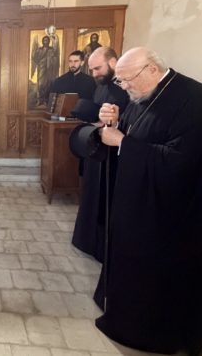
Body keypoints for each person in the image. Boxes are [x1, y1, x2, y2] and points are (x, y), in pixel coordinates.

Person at [94, 47, 202, 354]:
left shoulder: (196, 100)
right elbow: (137, 133)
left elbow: (181, 163)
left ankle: (149, 333)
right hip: (139, 206)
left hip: (171, 217)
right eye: (120, 81)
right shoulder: (145, 95)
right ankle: (122, 313)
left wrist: (122, 142)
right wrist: (114, 123)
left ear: (152, 69)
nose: (124, 87)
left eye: (127, 79)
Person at [71, 47, 129, 262]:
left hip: (113, 155)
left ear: (113, 62)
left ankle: (101, 246)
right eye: (92, 69)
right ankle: (88, 240)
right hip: (97, 149)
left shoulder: (125, 87)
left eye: (97, 68)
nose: (94, 74)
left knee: (106, 200)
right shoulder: (102, 85)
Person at [31, 34, 60, 106]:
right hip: (42, 68)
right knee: (40, 84)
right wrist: (35, 44)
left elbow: (56, 50)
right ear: (42, 41)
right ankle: (40, 99)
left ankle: (46, 100)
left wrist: (55, 40)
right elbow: (34, 56)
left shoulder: (51, 49)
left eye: (47, 40)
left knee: (48, 84)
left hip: (49, 69)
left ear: (49, 41)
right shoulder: (40, 50)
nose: (46, 41)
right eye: (44, 40)